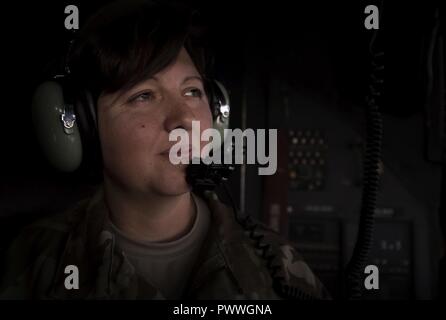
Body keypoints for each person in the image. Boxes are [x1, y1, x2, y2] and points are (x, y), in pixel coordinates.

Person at [0, 0, 330, 299]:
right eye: (143, 96)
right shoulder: (30, 261)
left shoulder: (279, 265)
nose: (185, 118)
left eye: (192, 92)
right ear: (82, 128)